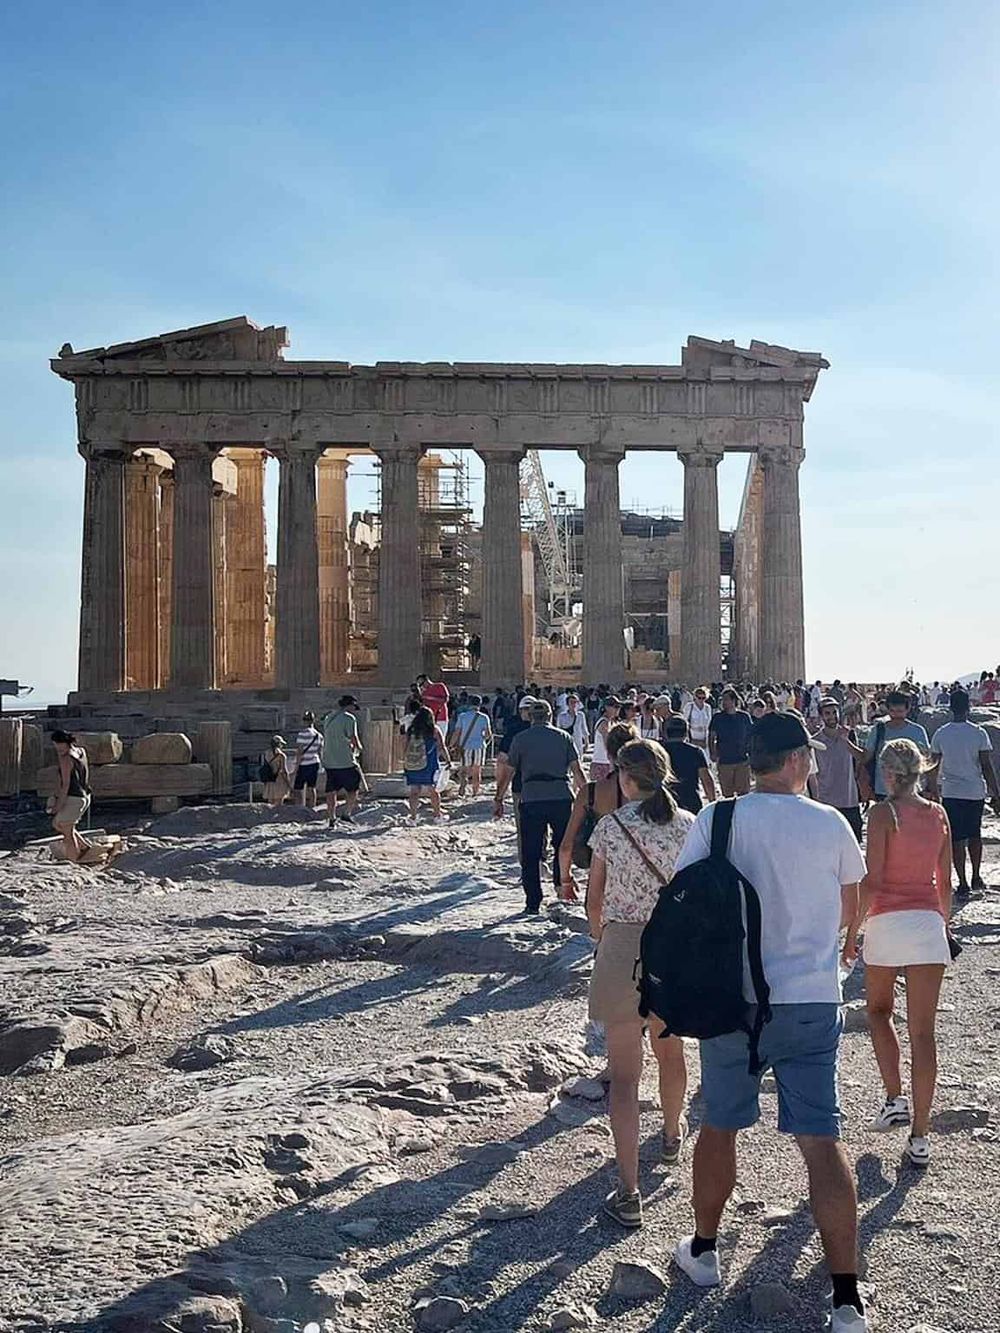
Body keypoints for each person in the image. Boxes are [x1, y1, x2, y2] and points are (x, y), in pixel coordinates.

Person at [671, 712, 868, 1333]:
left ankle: (704, 1251)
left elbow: (684, 897)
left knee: (720, 1126)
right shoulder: (830, 822)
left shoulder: (716, 818)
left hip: (733, 999)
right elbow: (851, 905)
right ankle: (845, 1299)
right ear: (796, 760)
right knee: (821, 1140)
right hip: (810, 998)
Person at [587, 739, 696, 1226]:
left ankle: (629, 1190)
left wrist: (602, 940)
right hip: (673, 948)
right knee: (671, 1052)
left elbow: (594, 899)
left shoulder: (611, 827)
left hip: (623, 944)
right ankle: (671, 1135)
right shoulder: (689, 825)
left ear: (626, 778)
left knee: (625, 1077)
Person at [844, 739, 953, 1168]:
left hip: (888, 921)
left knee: (878, 1011)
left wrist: (852, 933)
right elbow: (944, 881)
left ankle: (894, 1097)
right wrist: (943, 924)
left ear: (888, 773)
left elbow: (873, 881)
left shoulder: (882, 814)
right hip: (927, 922)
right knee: (924, 1033)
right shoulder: (938, 814)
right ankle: (920, 1137)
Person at [495, 699, 586, 913]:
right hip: (560, 796)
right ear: (550, 715)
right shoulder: (563, 737)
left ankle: (533, 901)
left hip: (532, 797)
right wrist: (588, 798)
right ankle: (560, 886)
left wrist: (498, 798)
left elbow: (508, 772)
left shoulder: (520, 739)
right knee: (562, 845)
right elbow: (577, 771)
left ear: (530, 716)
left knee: (531, 852)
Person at [926, 689, 1000, 898]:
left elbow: (933, 765)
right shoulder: (978, 733)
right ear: (968, 707)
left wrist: (933, 790)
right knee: (975, 835)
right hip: (974, 791)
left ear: (950, 708)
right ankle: (976, 876)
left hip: (951, 792)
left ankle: (963, 882)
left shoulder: (941, 733)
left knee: (957, 838)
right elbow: (986, 766)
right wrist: (996, 793)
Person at [558, 721, 637, 898]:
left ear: (608, 754)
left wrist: (566, 880)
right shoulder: (648, 791)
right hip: (640, 877)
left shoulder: (590, 792)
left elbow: (566, 846)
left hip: (601, 877)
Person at [811, 698, 867, 842]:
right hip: (827, 802)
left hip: (849, 800)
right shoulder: (815, 741)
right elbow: (812, 774)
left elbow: (861, 758)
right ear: (821, 716)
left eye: (834, 712)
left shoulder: (849, 734)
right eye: (827, 713)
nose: (832, 716)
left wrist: (845, 740)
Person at [862, 689, 930, 803]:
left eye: (900, 711)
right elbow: (866, 757)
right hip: (884, 791)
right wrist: (846, 742)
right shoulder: (878, 730)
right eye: (892, 711)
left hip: (911, 791)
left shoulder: (918, 731)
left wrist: (931, 788)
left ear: (907, 709)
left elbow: (926, 759)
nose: (896, 715)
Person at [402, 704, 450, 823]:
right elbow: (442, 746)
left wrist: (406, 760)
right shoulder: (434, 730)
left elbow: (405, 747)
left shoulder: (411, 730)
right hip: (429, 764)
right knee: (433, 791)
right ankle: (437, 816)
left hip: (413, 764)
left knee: (414, 791)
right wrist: (448, 760)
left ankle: (413, 817)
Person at [50, 730, 93, 862]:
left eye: (58, 744)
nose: (57, 748)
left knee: (67, 834)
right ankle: (84, 846)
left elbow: (66, 784)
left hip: (74, 797)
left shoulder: (66, 758)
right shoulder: (81, 751)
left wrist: (58, 805)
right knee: (58, 824)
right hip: (85, 795)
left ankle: (73, 861)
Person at [322, 696, 364, 825]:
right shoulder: (349, 718)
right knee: (353, 788)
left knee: (331, 791)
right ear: (349, 705)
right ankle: (347, 813)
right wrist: (359, 748)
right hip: (345, 760)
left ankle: (331, 817)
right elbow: (353, 737)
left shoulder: (329, 717)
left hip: (329, 760)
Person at [663, 715, 717, 814]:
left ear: (666, 733)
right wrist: (713, 804)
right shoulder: (695, 752)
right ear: (686, 733)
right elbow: (706, 780)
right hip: (690, 803)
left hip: (664, 803)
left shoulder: (659, 751)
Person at [708, 688, 753, 797]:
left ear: (734, 701)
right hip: (725, 760)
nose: (723, 702)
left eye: (726, 699)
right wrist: (713, 752)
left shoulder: (744, 717)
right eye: (722, 699)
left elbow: (751, 736)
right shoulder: (718, 718)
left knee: (743, 793)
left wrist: (751, 752)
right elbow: (711, 736)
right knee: (727, 794)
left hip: (742, 760)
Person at [452, 694, 493, 797]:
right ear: (480, 704)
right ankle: (475, 792)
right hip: (479, 746)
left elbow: (457, 732)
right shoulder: (484, 717)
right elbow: (488, 734)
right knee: (477, 771)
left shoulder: (462, 716)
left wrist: (451, 744)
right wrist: (482, 738)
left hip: (465, 746)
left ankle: (462, 788)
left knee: (464, 770)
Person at [291, 710, 324, 808]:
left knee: (298, 788)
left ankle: (300, 807)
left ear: (304, 721)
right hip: (314, 762)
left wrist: (296, 767)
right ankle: (312, 807)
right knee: (312, 787)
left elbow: (300, 751)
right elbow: (320, 751)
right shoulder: (319, 735)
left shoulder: (302, 734)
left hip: (304, 764)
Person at [590, 697, 622, 781]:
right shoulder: (604, 722)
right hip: (602, 762)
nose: (617, 709)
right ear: (606, 707)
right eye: (615, 707)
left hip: (606, 761)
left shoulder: (611, 722)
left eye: (618, 707)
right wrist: (612, 761)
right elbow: (607, 743)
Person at [556, 692, 590, 758]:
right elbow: (558, 730)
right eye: (572, 702)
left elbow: (584, 729)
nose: (574, 704)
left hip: (578, 743)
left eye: (575, 702)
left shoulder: (580, 715)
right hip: (566, 743)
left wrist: (586, 742)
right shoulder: (561, 716)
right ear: (567, 704)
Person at [682, 686, 713, 755]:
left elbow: (710, 724)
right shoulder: (689, 707)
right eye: (699, 698)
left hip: (705, 740)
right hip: (693, 738)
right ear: (695, 697)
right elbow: (685, 722)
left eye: (703, 698)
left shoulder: (708, 708)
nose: (701, 700)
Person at [261, 735, 291, 807]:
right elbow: (284, 771)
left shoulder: (266, 753)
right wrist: (288, 783)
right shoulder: (281, 755)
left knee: (270, 803)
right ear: (279, 744)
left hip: (269, 779)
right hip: (279, 780)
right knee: (279, 803)